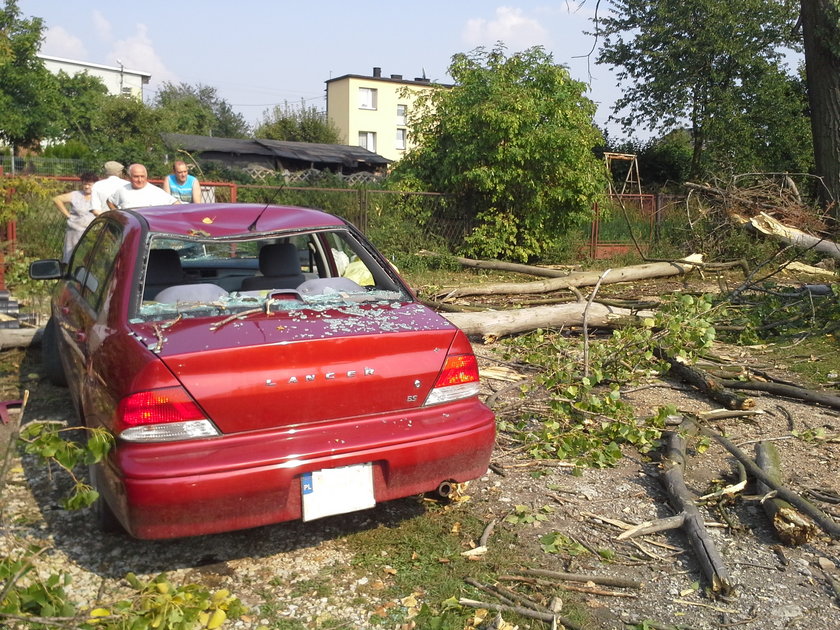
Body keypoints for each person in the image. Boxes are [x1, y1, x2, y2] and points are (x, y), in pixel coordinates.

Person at [53, 172, 98, 262]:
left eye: (89, 184)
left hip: (93, 232)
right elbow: (57, 199)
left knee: (91, 257)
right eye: (85, 184)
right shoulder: (76, 195)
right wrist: (68, 215)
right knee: (70, 256)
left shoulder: (99, 196)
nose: (87, 187)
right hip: (74, 232)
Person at [108, 163, 178, 210]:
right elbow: (110, 201)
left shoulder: (156, 192)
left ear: (146, 176)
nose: (140, 180)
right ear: (129, 177)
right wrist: (118, 215)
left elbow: (176, 204)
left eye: (142, 176)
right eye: (136, 177)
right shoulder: (122, 190)